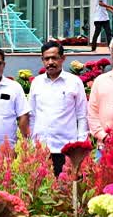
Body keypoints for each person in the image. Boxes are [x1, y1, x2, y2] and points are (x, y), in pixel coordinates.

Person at [29, 40, 89, 175]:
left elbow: (82, 115)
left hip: (67, 149)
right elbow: (32, 115)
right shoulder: (36, 83)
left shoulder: (74, 82)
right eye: (46, 59)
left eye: (54, 58)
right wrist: (33, 143)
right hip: (42, 149)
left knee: (66, 190)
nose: (50, 62)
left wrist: (80, 145)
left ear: (63, 58)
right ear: (42, 60)